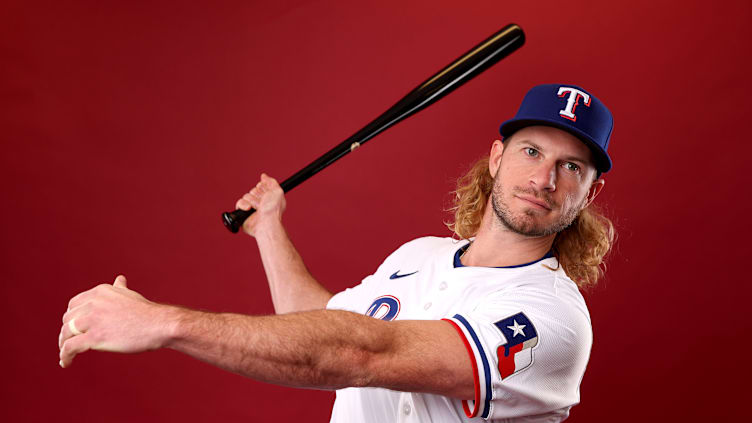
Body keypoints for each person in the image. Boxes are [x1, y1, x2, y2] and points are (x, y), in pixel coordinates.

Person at [59, 83, 616, 422]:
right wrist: (270, 229)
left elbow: (357, 354)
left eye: (571, 167)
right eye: (531, 150)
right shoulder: (419, 256)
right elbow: (320, 325)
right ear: (497, 157)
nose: (544, 178)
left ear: (589, 191)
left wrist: (165, 322)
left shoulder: (553, 318)